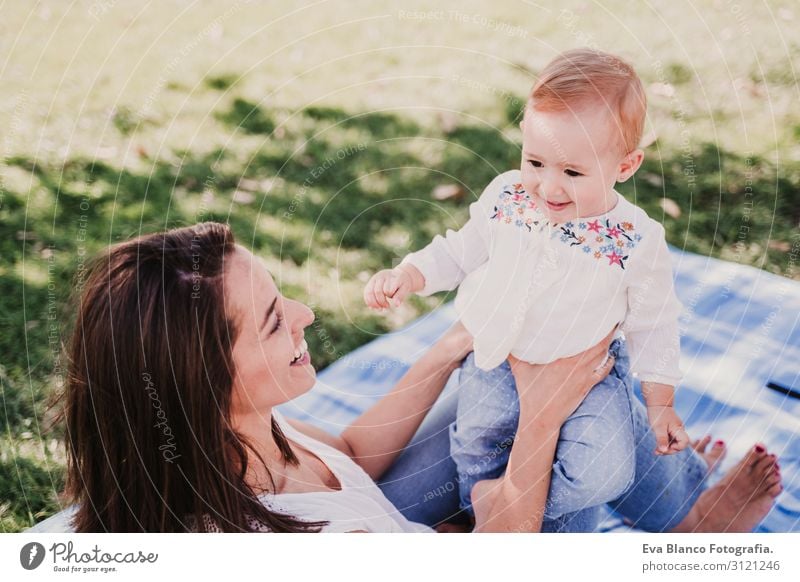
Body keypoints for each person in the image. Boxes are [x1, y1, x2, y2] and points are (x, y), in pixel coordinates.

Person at [59, 222, 781, 532]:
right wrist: (542, 417)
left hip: (419, 525)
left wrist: (449, 347)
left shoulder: (226, 440)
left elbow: (348, 452)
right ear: (202, 381)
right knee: (579, 377)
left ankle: (671, 495)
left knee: (512, 362)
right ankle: (689, 521)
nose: (307, 313)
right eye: (277, 321)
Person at [364, 48, 689, 523]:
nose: (548, 187)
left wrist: (661, 404)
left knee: (604, 470)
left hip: (585, 373)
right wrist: (409, 275)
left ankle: (510, 505)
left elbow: (654, 322)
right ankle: (492, 505)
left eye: (572, 173)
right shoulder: (508, 196)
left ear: (625, 166)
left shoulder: (636, 239)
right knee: (475, 445)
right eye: (535, 162)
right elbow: (460, 251)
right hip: (496, 355)